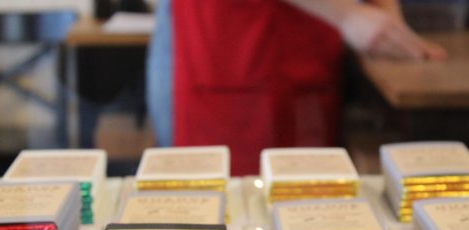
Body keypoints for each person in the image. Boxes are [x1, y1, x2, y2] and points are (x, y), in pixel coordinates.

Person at [147, 0, 446, 175]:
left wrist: (383, 9)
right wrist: (349, 15)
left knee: (304, 214)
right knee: (233, 221)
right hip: (235, 47)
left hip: (304, 51)